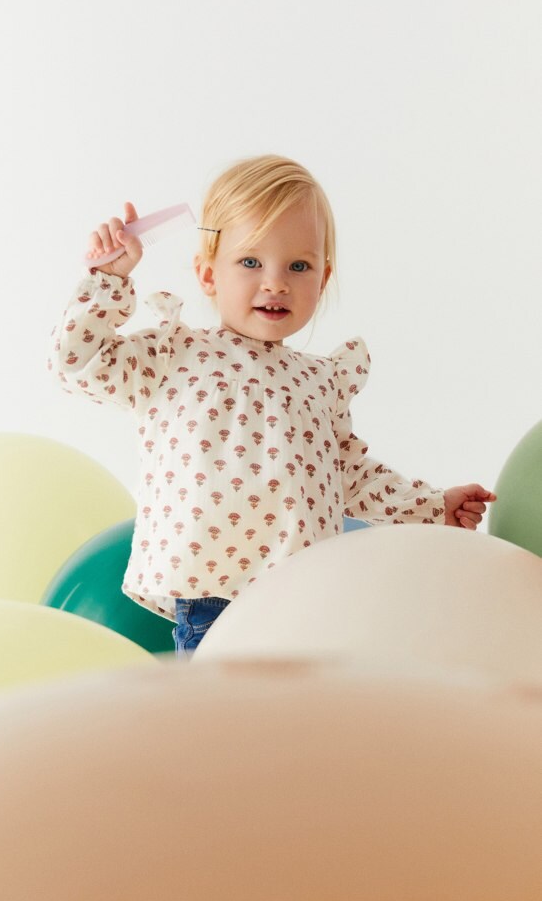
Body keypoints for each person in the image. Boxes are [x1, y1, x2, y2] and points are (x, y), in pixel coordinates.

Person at [48, 154, 496, 658]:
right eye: (250, 262)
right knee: (222, 708)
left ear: (322, 279)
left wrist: (432, 505)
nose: (276, 282)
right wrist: (107, 281)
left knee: (309, 709)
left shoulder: (320, 380)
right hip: (213, 597)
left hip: (309, 603)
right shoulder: (174, 355)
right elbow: (76, 363)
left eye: (298, 266)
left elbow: (350, 475)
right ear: (207, 274)